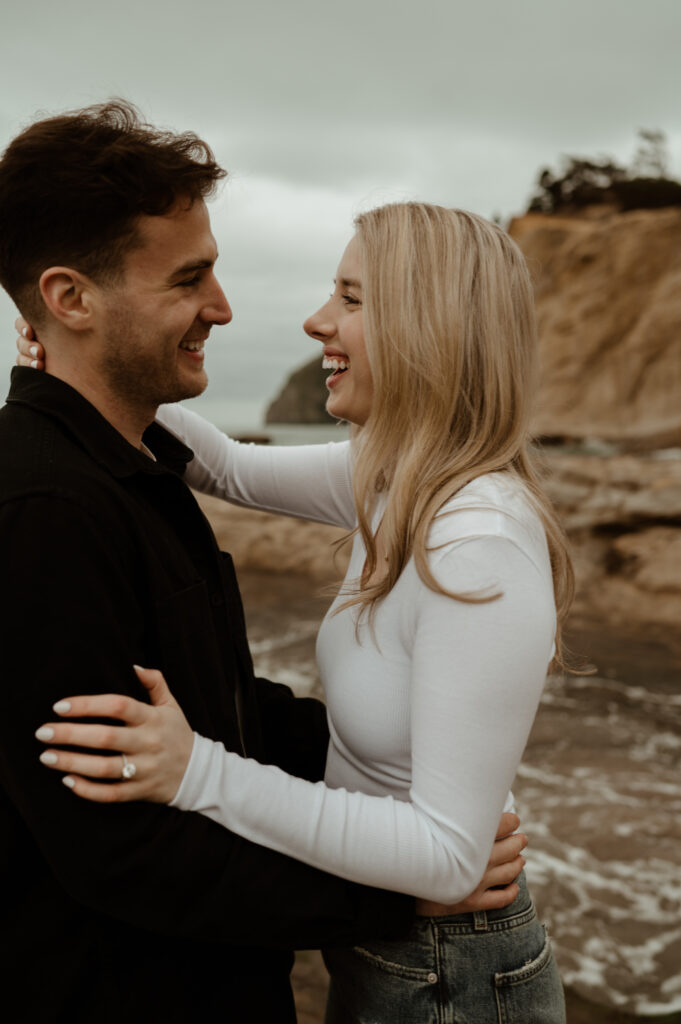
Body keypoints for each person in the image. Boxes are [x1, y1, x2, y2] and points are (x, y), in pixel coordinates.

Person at [2, 104, 522, 1024]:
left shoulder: (455, 520)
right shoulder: (52, 506)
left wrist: (403, 808)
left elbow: (219, 704)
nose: (234, 307)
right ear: (71, 296)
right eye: (191, 278)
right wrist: (398, 884)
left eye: (351, 299)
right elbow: (113, 844)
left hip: (397, 964)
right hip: (178, 980)